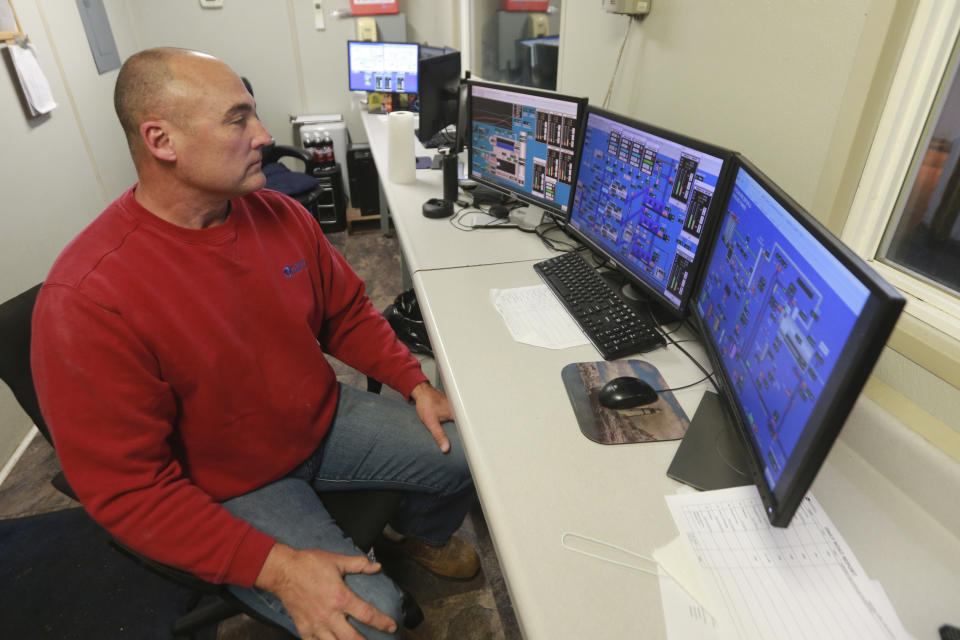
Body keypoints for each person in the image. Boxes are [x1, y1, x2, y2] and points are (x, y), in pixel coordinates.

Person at [31, 47, 478, 640]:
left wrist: (415, 382)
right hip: (225, 483)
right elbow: (128, 489)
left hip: (320, 421)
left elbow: (343, 311)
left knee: (473, 448)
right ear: (162, 141)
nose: (264, 135)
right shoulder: (88, 297)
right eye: (237, 119)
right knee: (374, 619)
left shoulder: (277, 215)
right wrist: (280, 570)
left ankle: (414, 534)